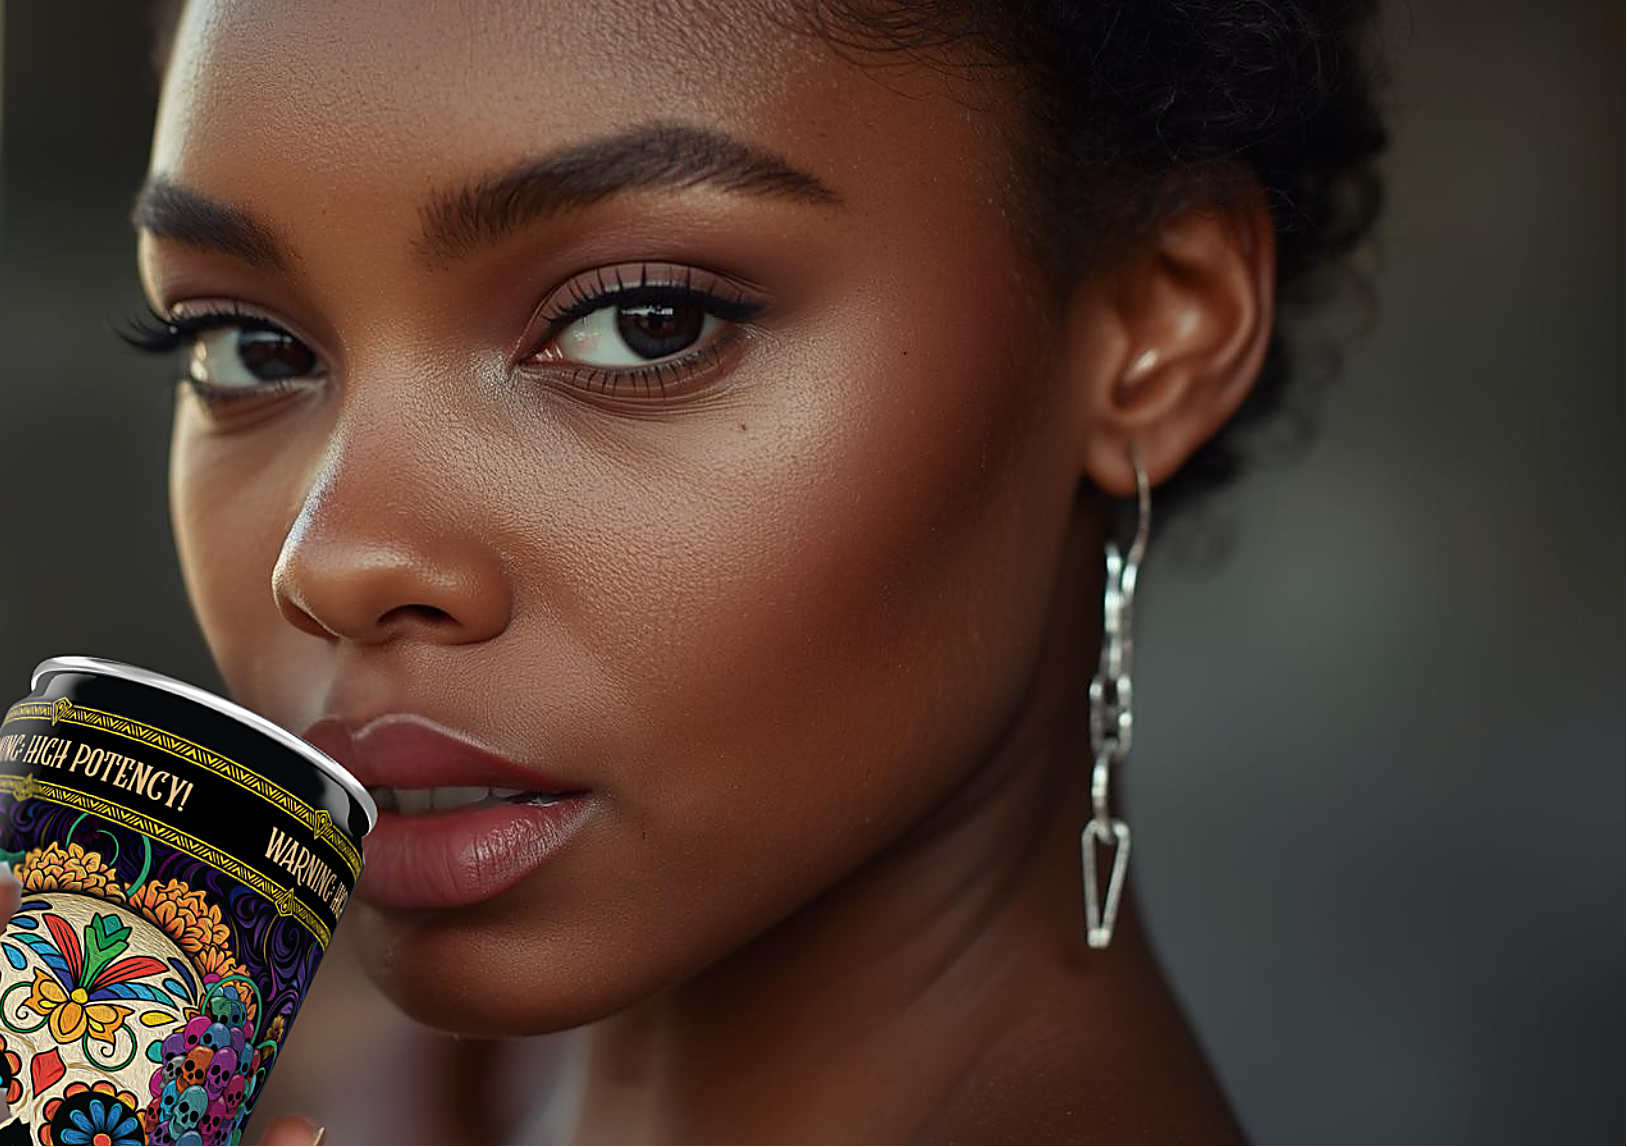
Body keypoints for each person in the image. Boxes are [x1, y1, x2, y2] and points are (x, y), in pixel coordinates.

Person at [87, 1, 1385, 1141]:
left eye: (645, 321)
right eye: (248, 345)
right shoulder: (311, 1059)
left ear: (1157, 326)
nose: (335, 561)